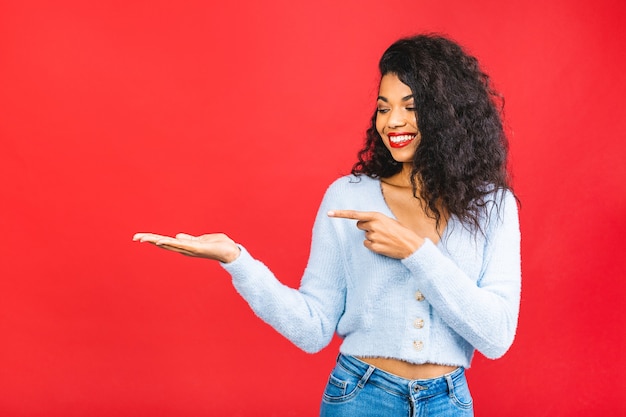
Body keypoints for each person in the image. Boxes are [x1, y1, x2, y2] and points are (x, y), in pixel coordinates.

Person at [134, 34, 521, 417]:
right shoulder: (348, 197)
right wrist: (237, 261)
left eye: (411, 106)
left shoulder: (493, 205)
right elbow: (313, 329)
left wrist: (415, 251)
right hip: (361, 396)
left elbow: (496, 337)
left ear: (448, 113)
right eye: (384, 108)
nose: (394, 121)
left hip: (449, 403)